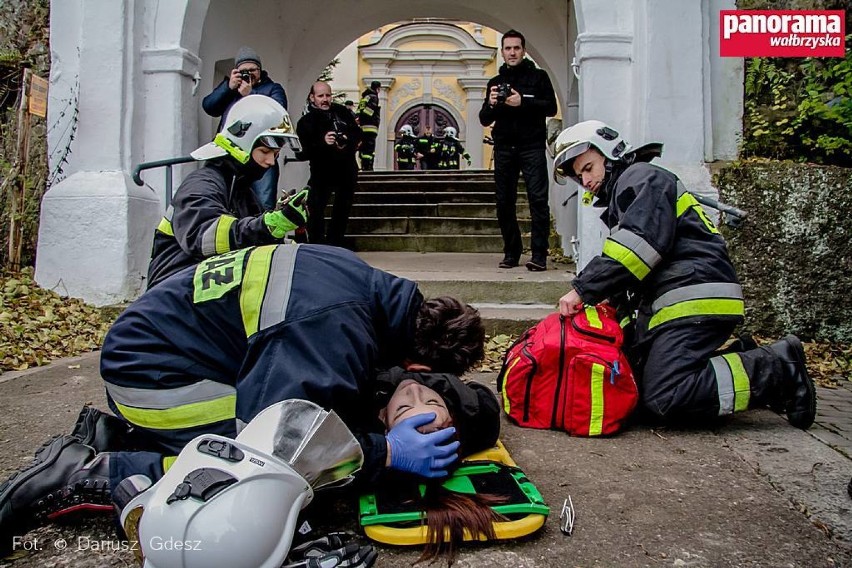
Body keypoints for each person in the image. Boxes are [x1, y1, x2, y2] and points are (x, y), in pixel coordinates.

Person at [0, 243, 501, 554]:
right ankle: (92, 472)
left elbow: (329, 375)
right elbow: (284, 439)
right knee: (276, 477)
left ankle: (114, 436)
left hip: (169, 350)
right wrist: (386, 452)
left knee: (328, 438)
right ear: (417, 364)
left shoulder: (367, 289)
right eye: (421, 385)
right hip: (152, 377)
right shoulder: (333, 329)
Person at [552, 120, 816, 430]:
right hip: (682, 298)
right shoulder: (633, 187)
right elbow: (633, 267)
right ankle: (745, 358)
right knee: (642, 385)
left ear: (609, 153)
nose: (585, 181)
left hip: (693, 296)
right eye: (578, 176)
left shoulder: (641, 178)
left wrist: (582, 290)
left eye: (588, 168)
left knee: (666, 395)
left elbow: (637, 247)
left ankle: (775, 368)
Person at [146, 95, 307, 289]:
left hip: (200, 288)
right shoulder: (202, 183)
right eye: (265, 152)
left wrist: (284, 230)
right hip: (172, 293)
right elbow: (204, 237)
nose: (271, 162)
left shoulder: (241, 191)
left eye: (276, 155)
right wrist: (267, 226)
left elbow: (251, 244)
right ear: (243, 144)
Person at [479, 29, 557, 272]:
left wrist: (523, 101)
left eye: (516, 48)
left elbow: (551, 108)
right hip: (504, 148)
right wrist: (492, 103)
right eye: (508, 48)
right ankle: (511, 252)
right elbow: (483, 118)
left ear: (523, 50)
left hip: (531, 147)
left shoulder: (539, 77)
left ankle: (539, 255)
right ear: (502, 52)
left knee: (538, 200)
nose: (512, 52)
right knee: (504, 202)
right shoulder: (495, 83)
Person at [202, 46, 289, 210]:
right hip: (228, 153)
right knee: (223, 196)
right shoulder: (231, 89)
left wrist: (250, 95)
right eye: (243, 71)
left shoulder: (273, 88)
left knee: (263, 202)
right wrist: (227, 88)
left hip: (261, 152)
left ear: (260, 70)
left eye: (253, 70)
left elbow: (278, 115)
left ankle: (261, 234)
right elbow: (209, 107)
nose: (249, 74)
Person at [296, 81, 362, 247]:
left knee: (342, 209)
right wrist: (323, 142)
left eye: (328, 95)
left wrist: (346, 141)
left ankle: (335, 242)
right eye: (320, 96)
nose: (325, 99)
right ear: (312, 97)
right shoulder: (306, 121)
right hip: (321, 172)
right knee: (315, 207)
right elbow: (303, 152)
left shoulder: (342, 112)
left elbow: (358, 135)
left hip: (346, 169)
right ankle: (318, 242)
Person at [357, 80, 381, 171]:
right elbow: (370, 110)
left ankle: (364, 165)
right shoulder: (374, 97)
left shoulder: (365, 97)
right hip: (371, 126)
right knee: (370, 149)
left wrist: (359, 119)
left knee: (364, 147)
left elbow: (359, 110)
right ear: (378, 88)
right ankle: (368, 167)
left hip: (363, 127)